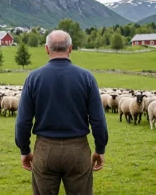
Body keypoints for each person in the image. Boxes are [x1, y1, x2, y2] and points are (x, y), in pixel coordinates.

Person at [15, 30, 108, 195]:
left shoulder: (33, 78)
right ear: (70, 48)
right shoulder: (86, 78)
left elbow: (23, 121)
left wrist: (25, 150)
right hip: (78, 150)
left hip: (45, 149)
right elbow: (98, 120)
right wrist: (100, 149)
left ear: (46, 49)